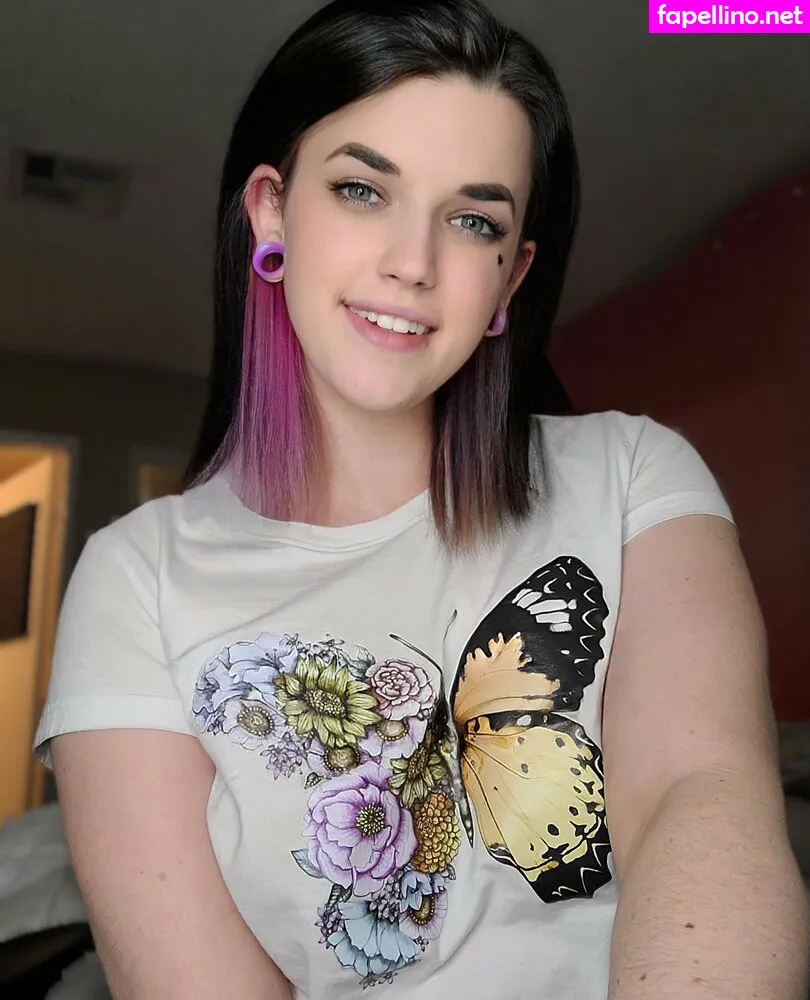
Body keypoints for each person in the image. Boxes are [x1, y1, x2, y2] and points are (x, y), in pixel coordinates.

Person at [34, 1, 807, 997]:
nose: (413, 262)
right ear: (271, 211)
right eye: (362, 190)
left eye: (474, 220)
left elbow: (697, 795)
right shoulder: (136, 577)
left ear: (510, 276)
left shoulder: (633, 475)